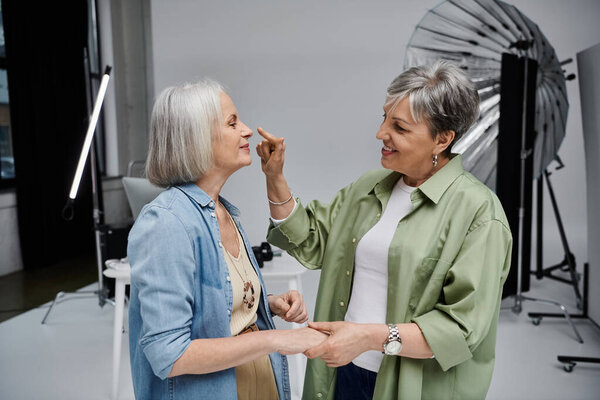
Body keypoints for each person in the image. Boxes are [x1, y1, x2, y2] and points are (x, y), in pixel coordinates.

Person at [255, 61, 513, 400]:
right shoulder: (369, 186)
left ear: (443, 139)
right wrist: (275, 179)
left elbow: (461, 330)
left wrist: (366, 337)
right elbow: (314, 241)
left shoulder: (480, 214)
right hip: (344, 370)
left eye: (400, 128)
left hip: (413, 386)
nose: (381, 134)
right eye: (384, 119)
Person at [128, 79, 327, 400]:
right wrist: (274, 340)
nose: (247, 131)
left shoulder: (224, 212)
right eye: (233, 123)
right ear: (195, 138)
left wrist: (265, 303)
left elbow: (213, 307)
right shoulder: (165, 222)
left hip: (258, 380)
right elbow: (169, 354)